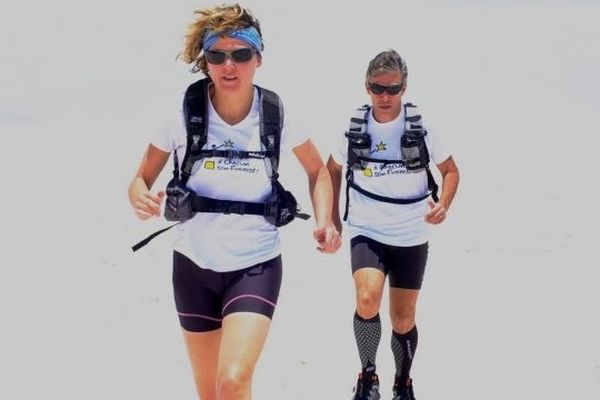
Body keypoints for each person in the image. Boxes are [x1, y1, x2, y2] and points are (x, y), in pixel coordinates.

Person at [127, 4, 340, 399]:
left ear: (258, 59)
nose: (229, 65)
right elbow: (140, 179)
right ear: (205, 61)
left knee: (233, 381)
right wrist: (141, 198)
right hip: (193, 266)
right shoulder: (182, 114)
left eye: (241, 54)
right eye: (217, 55)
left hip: (255, 263)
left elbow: (318, 172)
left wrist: (324, 221)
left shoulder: (276, 114)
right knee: (209, 393)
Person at [327, 49, 459, 400]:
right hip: (366, 230)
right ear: (366, 87)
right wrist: (331, 219)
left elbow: (450, 171)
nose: (385, 96)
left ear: (404, 87)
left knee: (403, 318)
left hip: (411, 232)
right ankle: (368, 376)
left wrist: (443, 204)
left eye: (393, 89)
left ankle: (403, 381)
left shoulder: (422, 124)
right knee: (367, 299)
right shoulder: (354, 124)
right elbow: (332, 169)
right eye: (377, 88)